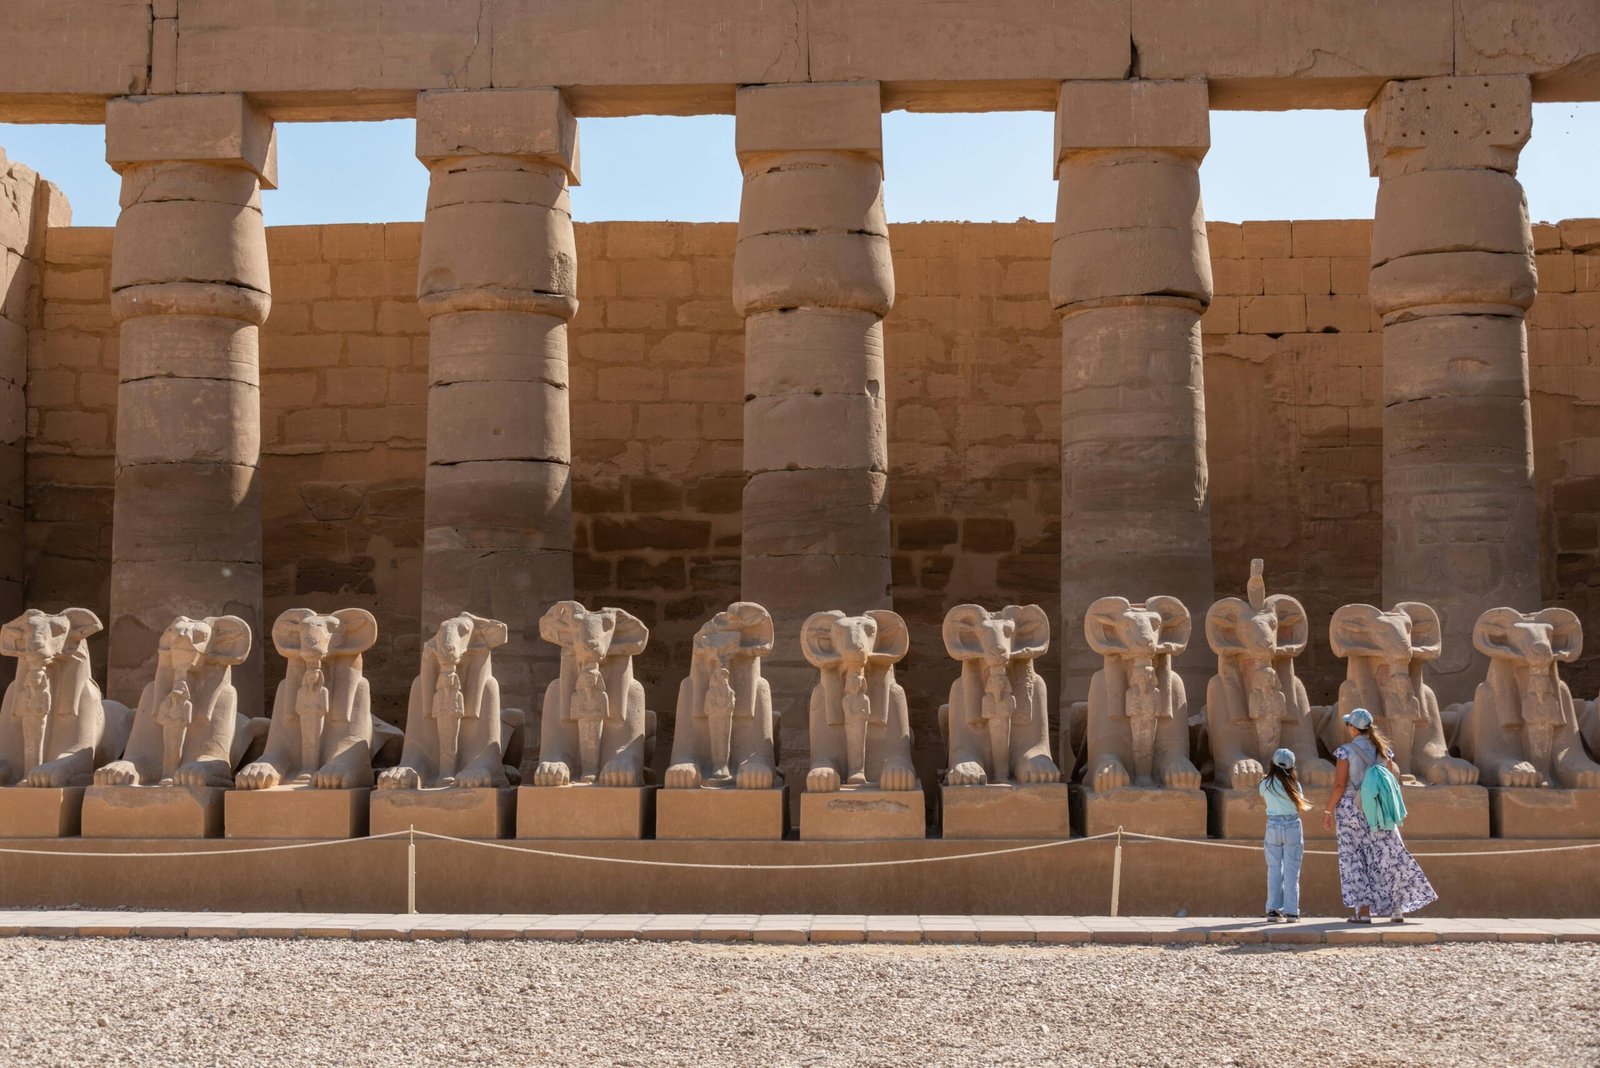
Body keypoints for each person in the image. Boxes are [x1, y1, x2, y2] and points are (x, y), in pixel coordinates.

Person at [1322, 707, 1438, 923]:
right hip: (1379, 810)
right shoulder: (1384, 752)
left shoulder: (1345, 751)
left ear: (1353, 728)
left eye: (1348, 724)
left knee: (1355, 858)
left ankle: (1363, 912)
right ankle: (1397, 909)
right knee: (1388, 857)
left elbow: (1339, 785)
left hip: (1352, 809)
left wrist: (1328, 810)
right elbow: (1390, 780)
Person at [1259, 747, 1311, 922]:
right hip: (1292, 826)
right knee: (1291, 871)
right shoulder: (1295, 785)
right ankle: (1291, 911)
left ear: (1272, 764)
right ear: (1291, 767)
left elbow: (1265, 800)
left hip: (1273, 825)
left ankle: (1273, 910)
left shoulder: (1265, 784)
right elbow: (1298, 806)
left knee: (1274, 869)